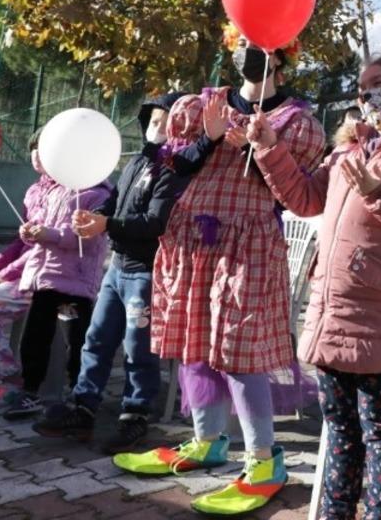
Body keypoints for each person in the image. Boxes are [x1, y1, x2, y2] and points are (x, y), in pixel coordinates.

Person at [114, 30, 326, 516]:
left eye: (262, 43)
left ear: (283, 57)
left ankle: (264, 462)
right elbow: (167, 164)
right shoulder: (198, 105)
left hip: (247, 245)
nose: (249, 52)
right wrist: (209, 140)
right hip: (189, 239)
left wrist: (260, 147)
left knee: (238, 351)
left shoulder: (297, 121)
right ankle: (207, 441)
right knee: (191, 339)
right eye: (243, 41)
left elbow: (292, 195)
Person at [251, 55, 381, 520]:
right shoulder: (349, 149)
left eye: (378, 84)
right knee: (340, 430)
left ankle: (379, 514)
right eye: (361, 87)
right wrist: (270, 148)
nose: (366, 95)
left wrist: (378, 193)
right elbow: (307, 198)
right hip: (332, 310)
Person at [31, 91, 226, 452]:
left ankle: (135, 415)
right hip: (116, 269)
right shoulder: (139, 161)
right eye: (152, 122)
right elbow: (114, 198)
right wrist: (95, 215)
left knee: (139, 348)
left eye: (165, 122)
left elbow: (154, 222)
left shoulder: (175, 171)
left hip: (146, 274)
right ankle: (84, 407)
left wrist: (107, 224)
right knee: (97, 339)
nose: (158, 128)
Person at [0, 130, 107, 417]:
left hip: (46, 281)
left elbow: (58, 244)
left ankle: (12, 382)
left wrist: (7, 272)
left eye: (43, 148)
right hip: (24, 273)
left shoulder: (90, 192)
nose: (36, 155)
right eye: (33, 148)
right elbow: (24, 242)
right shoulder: (37, 191)